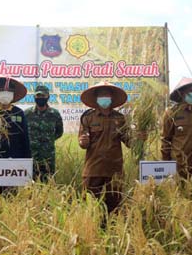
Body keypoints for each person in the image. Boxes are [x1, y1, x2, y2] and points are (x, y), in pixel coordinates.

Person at [78, 81, 135, 215]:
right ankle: (91, 231)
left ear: (112, 98)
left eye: (107, 95)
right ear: (96, 99)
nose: (104, 98)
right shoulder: (88, 118)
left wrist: (140, 137)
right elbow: (82, 143)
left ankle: (112, 231)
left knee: (114, 206)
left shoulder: (120, 119)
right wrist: (83, 141)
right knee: (90, 204)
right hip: (93, 169)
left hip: (114, 169)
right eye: (101, 96)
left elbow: (130, 142)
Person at [24, 85, 64, 182]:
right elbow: (23, 133)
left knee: (48, 184)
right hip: (31, 156)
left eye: (43, 96)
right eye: (38, 96)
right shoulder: (27, 114)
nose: (40, 98)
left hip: (48, 157)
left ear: (48, 97)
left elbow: (59, 132)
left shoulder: (54, 114)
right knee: (30, 185)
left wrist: (48, 140)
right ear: (34, 97)